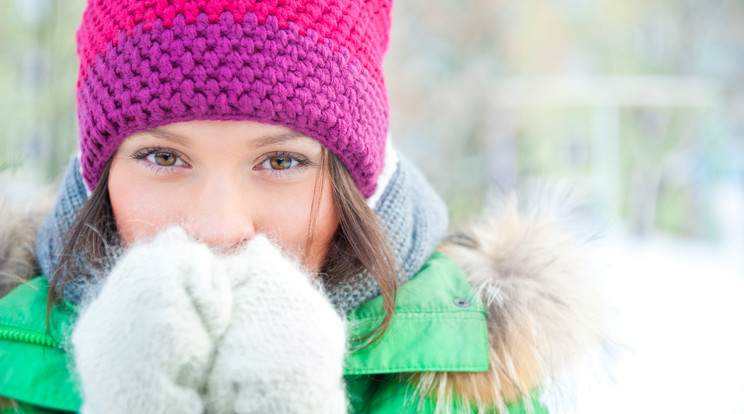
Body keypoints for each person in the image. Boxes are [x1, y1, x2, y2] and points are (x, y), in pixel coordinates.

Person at [0, 1, 606, 413]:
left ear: (356, 183)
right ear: (97, 173)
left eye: (281, 162)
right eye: (163, 158)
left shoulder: (473, 375)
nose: (217, 229)